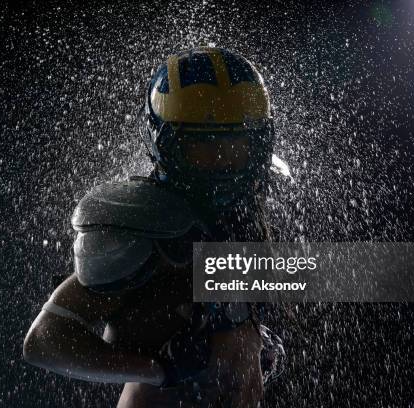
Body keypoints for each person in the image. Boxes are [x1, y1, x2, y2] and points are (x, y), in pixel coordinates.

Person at [24, 47, 285, 407]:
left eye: (237, 144)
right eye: (203, 146)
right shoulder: (150, 230)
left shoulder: (239, 219)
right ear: (165, 143)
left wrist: (250, 341)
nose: (223, 162)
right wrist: (158, 369)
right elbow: (43, 341)